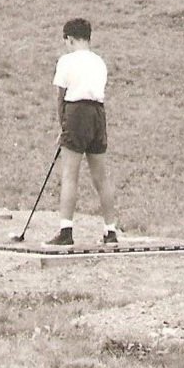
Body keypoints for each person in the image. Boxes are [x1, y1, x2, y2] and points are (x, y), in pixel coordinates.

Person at [46, 17, 120, 247]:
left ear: (68, 39)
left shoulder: (66, 61)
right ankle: (111, 231)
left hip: (76, 112)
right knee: (101, 177)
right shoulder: (99, 62)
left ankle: (66, 231)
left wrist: (63, 128)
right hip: (98, 114)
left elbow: (61, 98)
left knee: (70, 175)